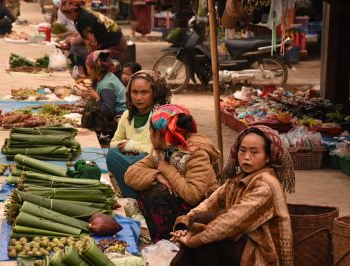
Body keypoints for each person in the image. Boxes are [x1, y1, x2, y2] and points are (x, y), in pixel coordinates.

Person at [169, 125, 295, 266]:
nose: (246, 157)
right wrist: (185, 225)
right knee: (201, 222)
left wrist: (192, 239)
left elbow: (232, 222)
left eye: (254, 152)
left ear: (267, 158)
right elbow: (210, 203)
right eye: (242, 151)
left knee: (205, 224)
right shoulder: (237, 180)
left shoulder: (266, 184)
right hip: (240, 245)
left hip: (261, 257)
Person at [124, 104, 220, 242]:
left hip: (201, 210)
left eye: (150, 132)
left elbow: (193, 195)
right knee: (148, 187)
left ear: (158, 134)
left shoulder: (196, 153)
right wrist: (157, 175)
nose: (150, 137)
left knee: (158, 192)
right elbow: (130, 174)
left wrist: (167, 169)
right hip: (181, 202)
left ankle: (171, 242)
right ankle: (162, 242)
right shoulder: (163, 150)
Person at [106, 70, 171, 199]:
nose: (138, 98)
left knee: (141, 159)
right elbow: (113, 144)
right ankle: (134, 197)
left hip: (153, 164)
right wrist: (132, 146)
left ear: (155, 93)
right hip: (130, 162)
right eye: (134, 92)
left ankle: (137, 197)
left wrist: (131, 145)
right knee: (112, 155)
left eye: (144, 92)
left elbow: (160, 152)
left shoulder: (162, 117)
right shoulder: (127, 116)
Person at [74, 49, 126, 145]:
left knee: (91, 104)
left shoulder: (106, 84)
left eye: (88, 67)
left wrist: (96, 97)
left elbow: (108, 111)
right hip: (121, 113)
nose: (87, 70)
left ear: (94, 69)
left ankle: (107, 133)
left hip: (121, 118)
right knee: (91, 101)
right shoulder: (106, 77)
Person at [59, 0, 127, 62]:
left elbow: (91, 44)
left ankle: (82, 72)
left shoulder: (83, 19)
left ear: (73, 12)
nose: (66, 17)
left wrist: (72, 41)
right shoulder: (82, 15)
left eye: (66, 14)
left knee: (76, 50)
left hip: (114, 45)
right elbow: (84, 33)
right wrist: (71, 38)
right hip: (113, 42)